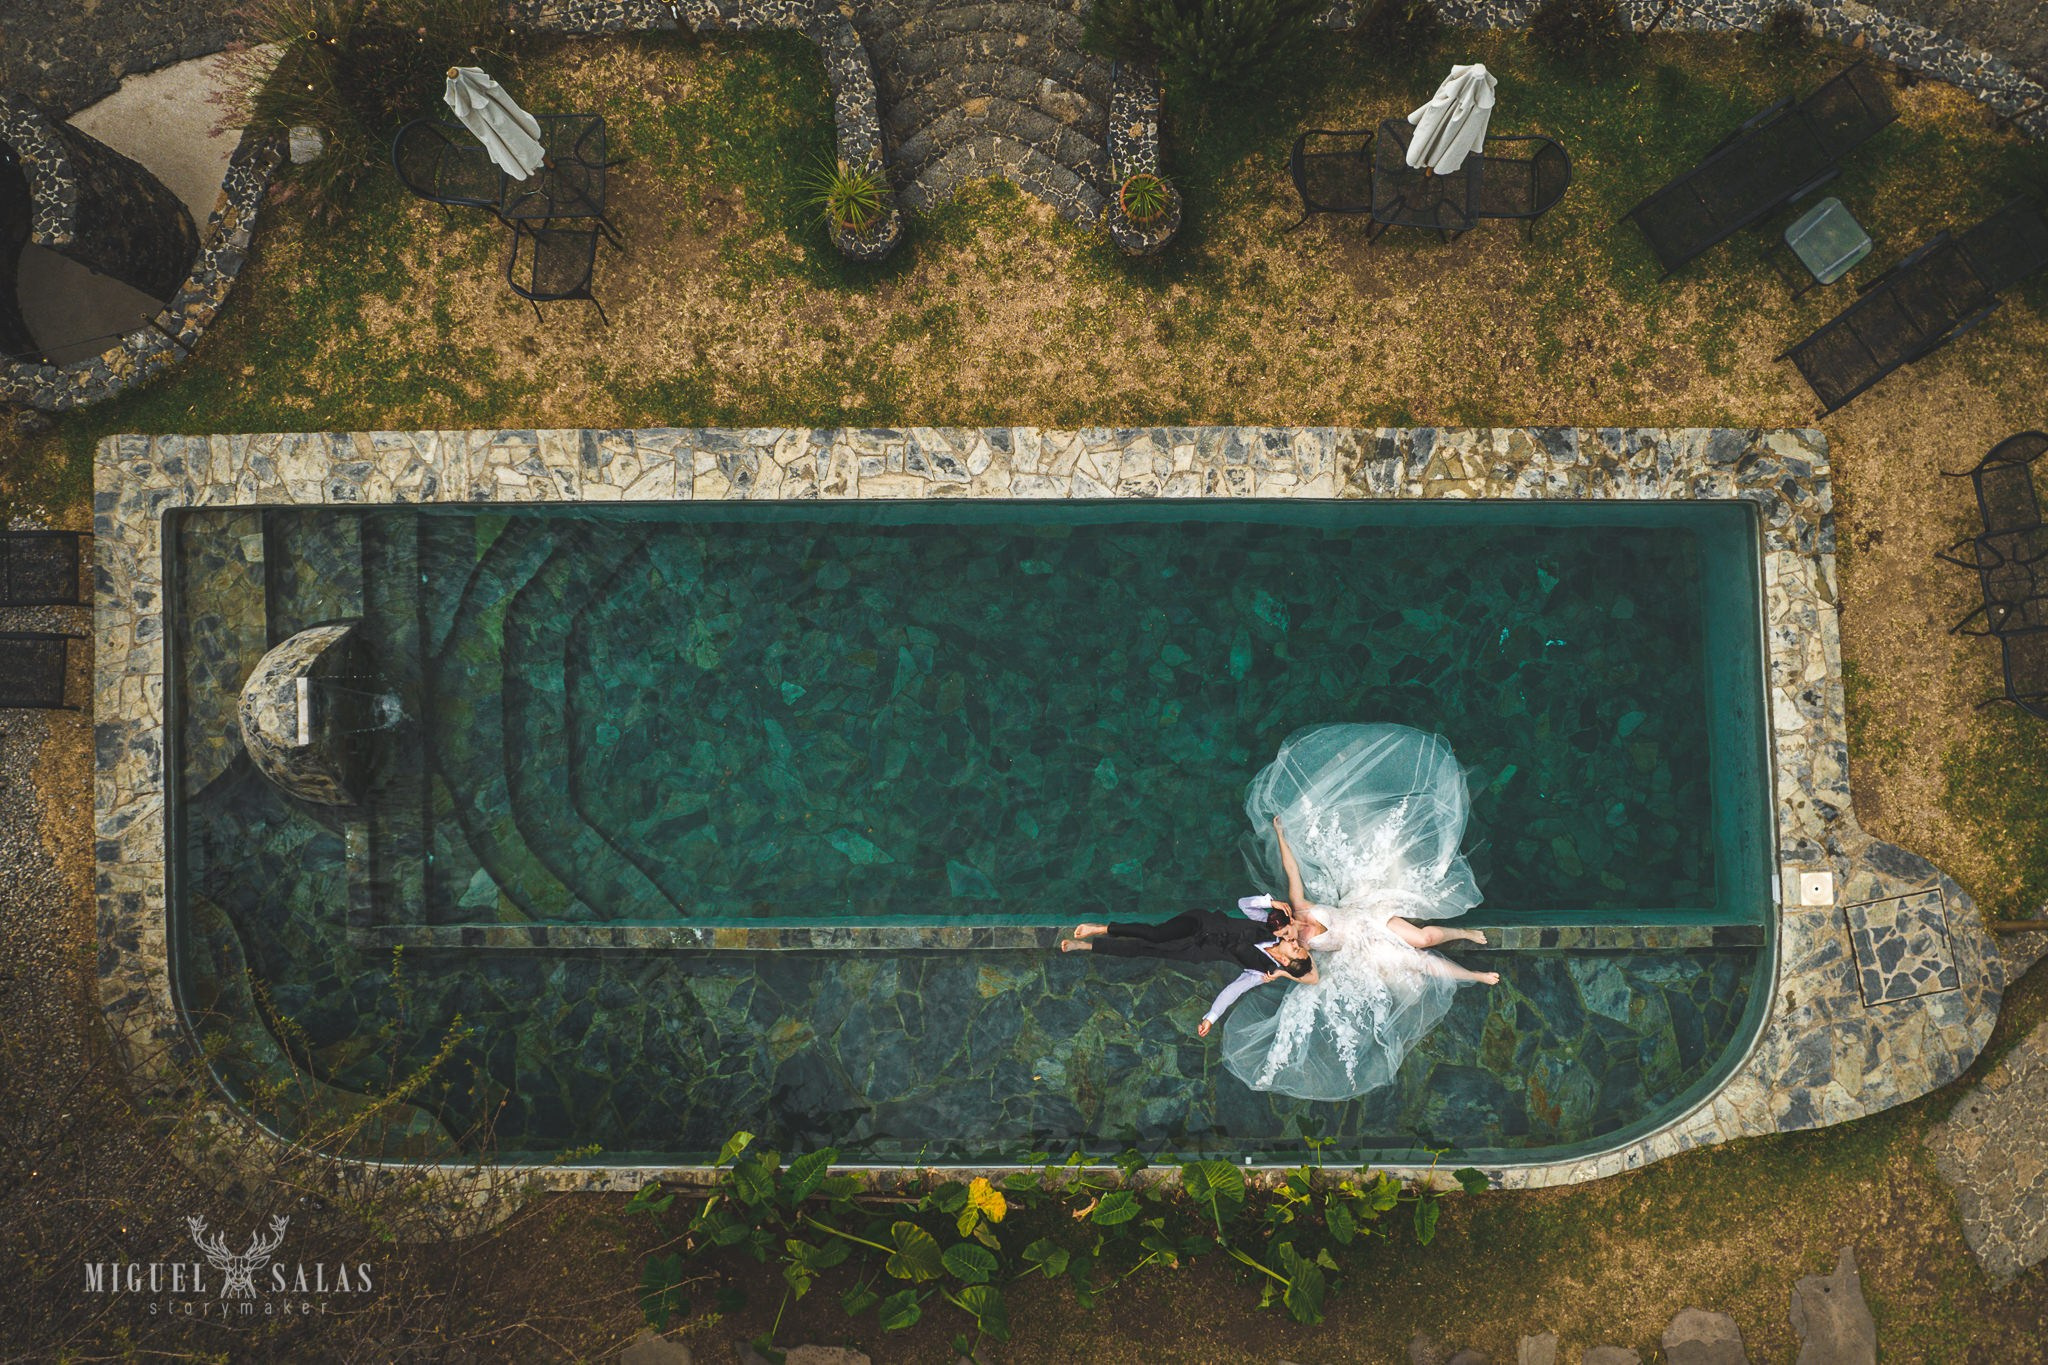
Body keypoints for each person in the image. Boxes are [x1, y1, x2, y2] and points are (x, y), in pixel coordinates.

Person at [1219, 722, 1504, 1102]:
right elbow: (1308, 977)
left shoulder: (1299, 907)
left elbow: (1292, 871)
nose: (1289, 933)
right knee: (1417, 961)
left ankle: (1463, 934)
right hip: (1361, 949)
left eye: (1283, 929)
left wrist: (1282, 835)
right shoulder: (1300, 956)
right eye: (1284, 937)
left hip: (1366, 914)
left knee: (1426, 937)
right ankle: (1476, 975)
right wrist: (1279, 968)